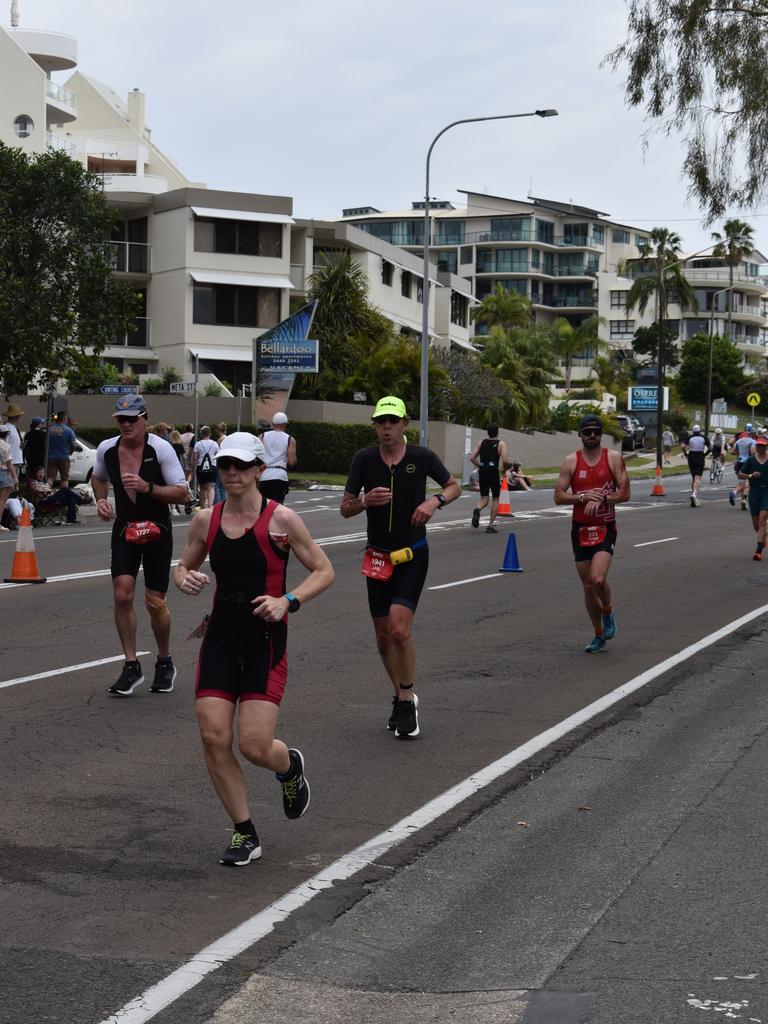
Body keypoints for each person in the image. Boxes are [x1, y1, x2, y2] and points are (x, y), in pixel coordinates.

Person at [173, 432, 334, 866]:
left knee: (254, 745)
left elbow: (323, 569)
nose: (231, 473)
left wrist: (288, 601)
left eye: (241, 466)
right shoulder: (206, 520)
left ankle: (288, 767)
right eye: (225, 465)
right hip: (221, 637)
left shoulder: (283, 521)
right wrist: (182, 576)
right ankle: (245, 831)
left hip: (264, 642)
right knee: (213, 736)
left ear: (260, 470)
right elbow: (184, 562)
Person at [340, 396, 461, 738]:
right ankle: (399, 694)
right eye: (381, 422)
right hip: (377, 557)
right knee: (382, 637)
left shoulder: (422, 457)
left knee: (398, 628)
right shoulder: (363, 460)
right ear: (375, 424)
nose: (387, 427)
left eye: (393, 421)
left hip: (412, 554)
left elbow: (454, 486)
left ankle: (407, 701)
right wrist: (365, 501)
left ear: (405, 423)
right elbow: (344, 508)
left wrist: (433, 501)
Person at [91, 395, 189, 697]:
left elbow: (183, 493)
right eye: (121, 419)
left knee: (154, 602)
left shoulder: (161, 449)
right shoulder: (107, 449)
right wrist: (101, 500)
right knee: (122, 594)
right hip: (125, 528)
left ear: (144, 418)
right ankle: (131, 665)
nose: (127, 424)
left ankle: (164, 661)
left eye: (132, 418)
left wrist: (148, 488)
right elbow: (98, 479)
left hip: (157, 528)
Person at [554, 413, 630, 653]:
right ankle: (598, 635)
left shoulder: (613, 459)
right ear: (580, 434)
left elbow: (625, 494)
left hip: (605, 527)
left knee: (598, 579)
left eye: (597, 431)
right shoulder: (571, 461)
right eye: (588, 432)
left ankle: (607, 610)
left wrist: (605, 499)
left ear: (601, 434)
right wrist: (583, 496)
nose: (593, 435)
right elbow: (558, 496)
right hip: (580, 529)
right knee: (587, 586)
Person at [469, 423, 509, 533]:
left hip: (483, 472)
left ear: (487, 432)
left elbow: (472, 457)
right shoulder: (501, 444)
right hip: (493, 472)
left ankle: (477, 509)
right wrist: (504, 469)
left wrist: (480, 465)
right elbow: (505, 460)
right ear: (497, 432)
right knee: (496, 498)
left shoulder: (481, 443)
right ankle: (490, 525)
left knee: (484, 499)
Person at [738, 435, 768, 560]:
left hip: (767, 491)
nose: (760, 448)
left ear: (766, 447)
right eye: (759, 446)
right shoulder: (751, 460)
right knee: (756, 525)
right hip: (754, 492)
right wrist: (750, 475)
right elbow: (740, 474)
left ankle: (758, 551)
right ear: (756, 447)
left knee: (762, 519)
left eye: (763, 446)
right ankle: (763, 536)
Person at [259, 412, 297, 505]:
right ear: (285, 424)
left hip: (264, 475)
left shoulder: (262, 436)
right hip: (280, 476)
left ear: (273, 424)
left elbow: (256, 455)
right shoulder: (289, 439)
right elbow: (292, 461)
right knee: (277, 508)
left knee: (263, 506)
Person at [47, 410, 76, 487]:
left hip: (51, 457)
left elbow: (44, 444)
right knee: (64, 479)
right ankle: (63, 496)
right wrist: (71, 452)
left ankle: (46, 493)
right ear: (65, 418)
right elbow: (73, 445)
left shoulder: (49, 430)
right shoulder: (69, 431)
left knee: (50, 478)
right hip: (63, 457)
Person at [730, 423, 756, 510]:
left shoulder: (738, 441)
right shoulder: (752, 442)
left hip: (739, 462)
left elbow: (732, 452)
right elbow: (752, 452)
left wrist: (741, 452)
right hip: (748, 463)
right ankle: (744, 500)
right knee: (748, 482)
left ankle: (734, 493)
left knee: (742, 482)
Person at [683, 424, 710, 506]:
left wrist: (685, 453)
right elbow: (710, 448)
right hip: (700, 456)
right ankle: (694, 494)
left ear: (693, 431)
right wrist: (705, 454)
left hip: (691, 457)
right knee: (698, 478)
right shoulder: (704, 437)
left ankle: (694, 495)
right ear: (700, 431)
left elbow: (682, 446)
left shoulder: (689, 437)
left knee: (693, 477)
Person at [194, 426, 219, 509]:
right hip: (212, 467)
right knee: (211, 488)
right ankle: (210, 506)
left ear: (202, 434)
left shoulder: (198, 444)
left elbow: (195, 457)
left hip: (201, 467)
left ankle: (203, 507)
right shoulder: (214, 443)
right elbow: (218, 455)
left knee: (202, 488)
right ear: (210, 433)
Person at [0, 424, 18, 532]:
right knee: (2, 500)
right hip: (3, 473)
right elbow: (9, 463)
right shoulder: (6, 445)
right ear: (6, 435)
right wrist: (15, 477)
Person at [3, 403, 24, 480]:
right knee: (11, 485)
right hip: (11, 461)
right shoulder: (7, 427)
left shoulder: (12, 427)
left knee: (12, 485)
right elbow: (4, 444)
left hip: (14, 460)